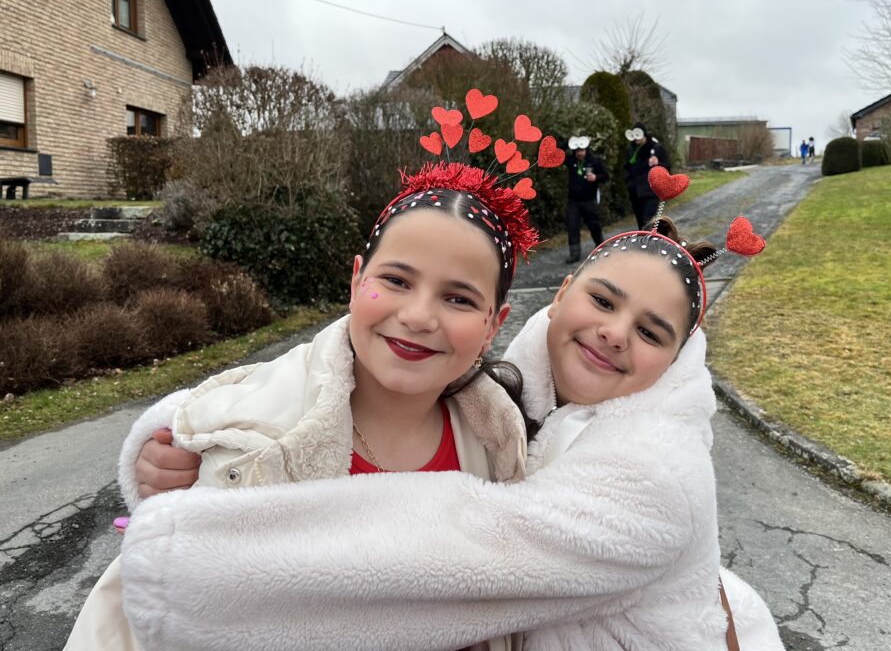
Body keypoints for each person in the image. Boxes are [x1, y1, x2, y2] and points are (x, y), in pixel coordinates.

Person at [116, 189, 783, 650]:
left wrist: (185, 564)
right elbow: (250, 399)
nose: (613, 332)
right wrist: (167, 438)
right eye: (603, 300)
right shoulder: (520, 407)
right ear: (559, 298)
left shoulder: (650, 465)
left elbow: (468, 552)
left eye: (650, 331)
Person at [64, 156, 546, 651]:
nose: (419, 316)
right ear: (358, 281)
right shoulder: (244, 445)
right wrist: (159, 453)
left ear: (494, 323)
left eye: (459, 299)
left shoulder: (500, 449)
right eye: (397, 281)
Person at [563, 135, 607, 263]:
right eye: (577, 151)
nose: (579, 153)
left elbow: (605, 176)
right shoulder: (571, 160)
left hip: (589, 199)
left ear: (586, 150)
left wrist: (596, 177)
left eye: (581, 151)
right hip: (573, 201)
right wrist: (569, 142)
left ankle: (601, 246)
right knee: (572, 226)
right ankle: (574, 253)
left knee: (594, 224)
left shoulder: (594, 161)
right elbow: (557, 153)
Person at [623, 122, 671, 228]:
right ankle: (643, 242)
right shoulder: (630, 150)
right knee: (640, 221)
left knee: (649, 219)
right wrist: (629, 182)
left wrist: (658, 163)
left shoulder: (656, 148)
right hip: (635, 192)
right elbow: (626, 167)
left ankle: (650, 241)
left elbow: (667, 167)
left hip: (651, 191)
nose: (636, 139)